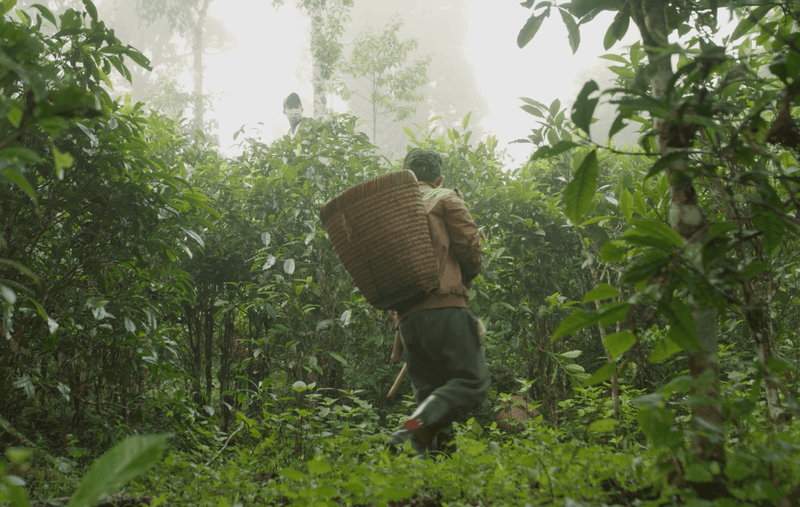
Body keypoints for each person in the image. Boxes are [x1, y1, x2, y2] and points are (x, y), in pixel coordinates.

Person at [387, 147, 490, 459]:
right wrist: (468, 274)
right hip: (444, 306)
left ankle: (435, 468)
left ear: (405, 175)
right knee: (471, 381)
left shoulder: (390, 210)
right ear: (439, 178)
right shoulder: (445, 197)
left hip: (407, 320)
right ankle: (408, 431)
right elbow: (469, 245)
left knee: (430, 397)